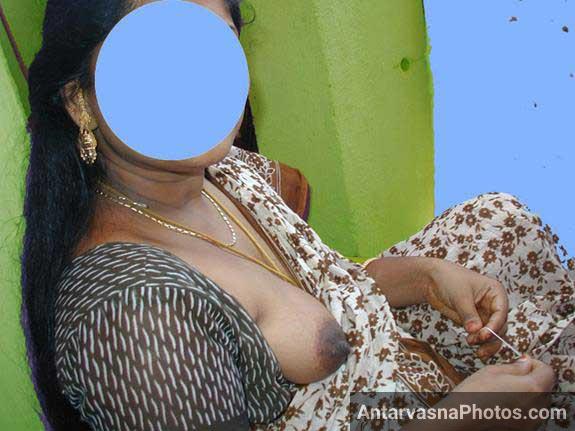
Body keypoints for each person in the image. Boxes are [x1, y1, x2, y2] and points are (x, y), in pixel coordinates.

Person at [21, 0, 574, 430]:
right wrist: (467, 418)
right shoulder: (137, 317)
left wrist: (427, 278)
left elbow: (323, 288)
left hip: (415, 374)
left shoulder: (226, 173)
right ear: (79, 99)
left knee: (499, 220)